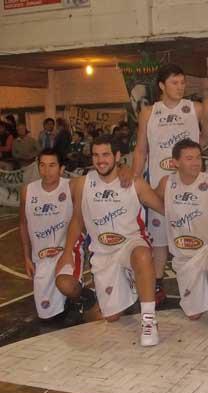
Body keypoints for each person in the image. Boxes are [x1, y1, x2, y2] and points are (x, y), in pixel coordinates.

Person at [55, 135, 165, 346]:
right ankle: (125, 286)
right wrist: (67, 252)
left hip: (130, 245)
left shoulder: (134, 182)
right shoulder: (83, 184)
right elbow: (77, 219)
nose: (100, 160)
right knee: (111, 317)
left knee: (142, 254)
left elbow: (163, 208)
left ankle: (149, 320)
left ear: (117, 156)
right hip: (103, 252)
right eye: (96, 155)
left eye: (106, 154)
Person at [129, 64, 203, 305]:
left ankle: (199, 281)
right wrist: (134, 180)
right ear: (162, 85)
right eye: (174, 82)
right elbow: (141, 150)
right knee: (159, 239)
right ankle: (158, 282)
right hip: (159, 186)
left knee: (192, 235)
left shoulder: (195, 108)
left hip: (189, 185)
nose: (180, 87)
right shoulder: (149, 113)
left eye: (183, 82)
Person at [155, 139, 208, 343]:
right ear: (175, 162)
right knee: (193, 315)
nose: (195, 162)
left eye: (198, 158)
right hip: (184, 255)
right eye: (189, 158)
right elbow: (149, 199)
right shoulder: (166, 184)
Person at [19, 149, 96, 325]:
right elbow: (23, 224)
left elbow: (101, 174)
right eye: (42, 165)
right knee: (48, 317)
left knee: (66, 285)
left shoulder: (72, 186)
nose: (47, 171)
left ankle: (84, 298)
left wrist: (124, 169)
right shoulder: (27, 191)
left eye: (52, 165)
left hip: (68, 251)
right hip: (42, 257)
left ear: (61, 169)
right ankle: (68, 302)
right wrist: (26, 257)